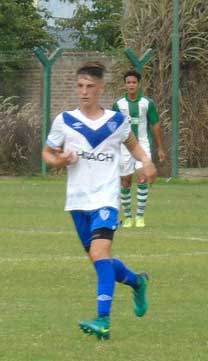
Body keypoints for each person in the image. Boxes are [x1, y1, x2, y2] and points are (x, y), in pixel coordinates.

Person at [42, 62, 157, 340]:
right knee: (100, 260)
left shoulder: (116, 122)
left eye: (89, 87)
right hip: (77, 201)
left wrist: (146, 161)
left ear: (101, 88)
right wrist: (59, 160)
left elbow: (133, 144)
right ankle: (137, 282)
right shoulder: (64, 121)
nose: (84, 92)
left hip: (106, 199)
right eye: (80, 86)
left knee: (99, 254)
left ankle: (103, 320)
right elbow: (47, 153)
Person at [113, 70, 166, 228]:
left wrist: (160, 148)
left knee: (143, 177)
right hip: (124, 146)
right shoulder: (118, 104)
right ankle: (128, 217)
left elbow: (155, 124)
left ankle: (140, 216)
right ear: (124, 85)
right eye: (128, 82)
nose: (131, 85)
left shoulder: (147, 103)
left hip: (142, 145)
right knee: (126, 180)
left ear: (138, 84)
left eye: (134, 82)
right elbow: (114, 127)